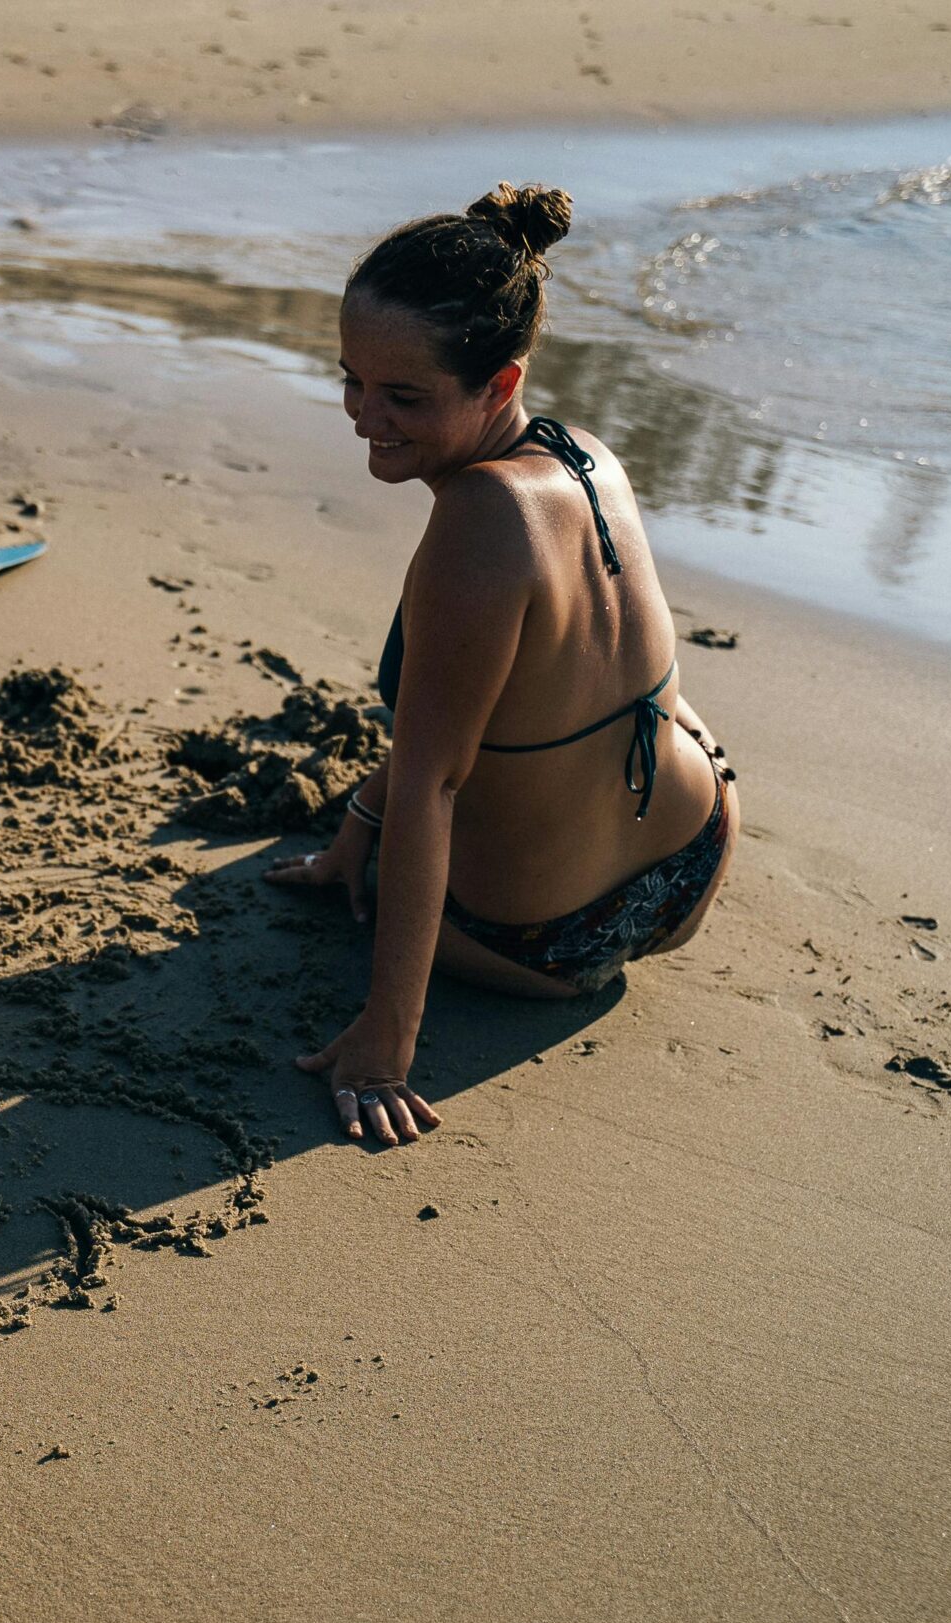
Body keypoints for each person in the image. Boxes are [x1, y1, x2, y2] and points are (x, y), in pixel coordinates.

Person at [264, 183, 739, 1146]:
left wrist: (386, 1037)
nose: (365, 414)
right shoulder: (586, 455)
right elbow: (531, 693)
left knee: (393, 836)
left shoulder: (478, 522)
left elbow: (435, 783)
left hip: (549, 944)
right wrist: (361, 815)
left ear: (500, 384)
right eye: (352, 378)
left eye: (404, 396)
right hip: (695, 854)